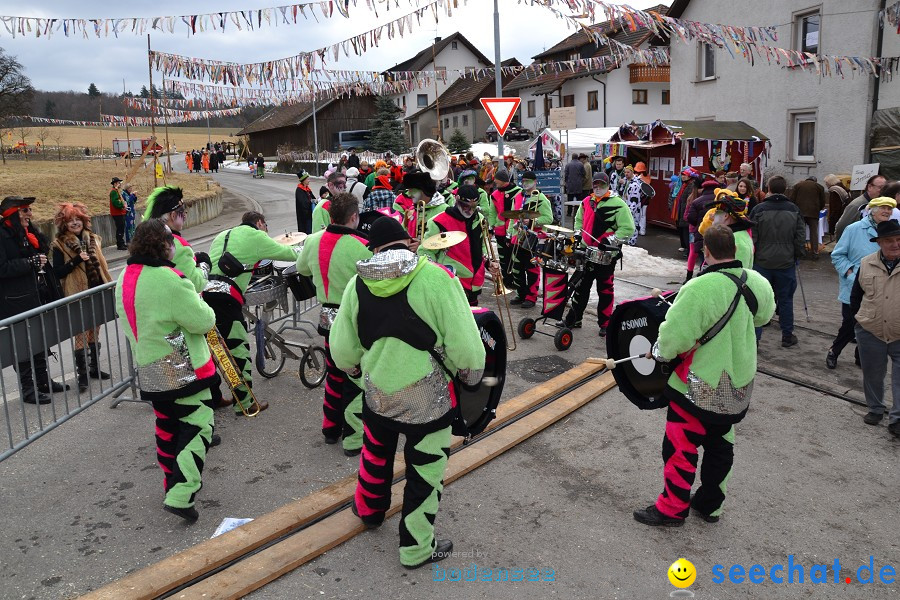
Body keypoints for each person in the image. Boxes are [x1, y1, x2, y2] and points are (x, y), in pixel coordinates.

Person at [330, 216, 486, 569]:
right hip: (427, 397)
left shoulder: (358, 283)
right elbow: (469, 350)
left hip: (377, 392)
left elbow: (341, 350)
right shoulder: (436, 278)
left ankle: (369, 510)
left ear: (374, 250)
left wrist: (356, 368)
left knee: (375, 454)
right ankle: (416, 547)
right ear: (409, 245)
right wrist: (473, 379)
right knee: (424, 472)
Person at [634, 225, 775, 527]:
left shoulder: (699, 288)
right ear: (735, 250)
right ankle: (710, 505)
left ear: (706, 252)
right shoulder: (758, 283)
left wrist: (658, 352)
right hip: (737, 383)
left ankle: (671, 509)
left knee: (680, 448)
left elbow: (674, 338)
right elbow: (764, 316)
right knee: (720, 447)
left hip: (699, 384)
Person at [115, 219, 217, 522]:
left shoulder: (125, 276)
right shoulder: (170, 279)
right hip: (181, 367)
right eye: (171, 243)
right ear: (163, 246)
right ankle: (182, 492)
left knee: (168, 428)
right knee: (199, 426)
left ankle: (169, 483)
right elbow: (204, 321)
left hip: (149, 366)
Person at [296, 193, 372, 455]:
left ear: (330, 216)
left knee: (334, 374)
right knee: (355, 377)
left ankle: (330, 429)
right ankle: (353, 438)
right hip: (353, 320)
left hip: (327, 318)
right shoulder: (362, 245)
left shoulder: (313, 240)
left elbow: (302, 268)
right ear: (353, 217)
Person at [203, 212, 300, 416]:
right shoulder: (256, 236)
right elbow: (289, 254)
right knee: (238, 350)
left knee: (214, 349)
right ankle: (245, 403)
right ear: (259, 223)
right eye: (265, 225)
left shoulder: (223, 235)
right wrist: (309, 250)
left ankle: (212, 397)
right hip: (226, 299)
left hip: (205, 295)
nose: (266, 230)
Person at [0, 196, 67, 404]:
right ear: (13, 214)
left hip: (36, 294)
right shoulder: (2, 235)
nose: (30, 214)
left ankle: (43, 381)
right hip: (14, 300)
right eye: (25, 210)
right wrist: (30, 262)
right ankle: (28, 389)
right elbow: (2, 268)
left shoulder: (27, 233)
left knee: (39, 340)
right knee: (21, 345)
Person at [560, 173, 634, 335]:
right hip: (586, 252)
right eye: (595, 185)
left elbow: (628, 228)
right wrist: (578, 234)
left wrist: (611, 240)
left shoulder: (619, 204)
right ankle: (575, 318)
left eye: (601, 184)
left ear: (608, 185)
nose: (598, 187)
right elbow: (579, 220)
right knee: (580, 288)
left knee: (605, 289)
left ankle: (605, 323)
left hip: (606, 255)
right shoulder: (587, 202)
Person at [828, 197, 896, 369]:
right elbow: (837, 255)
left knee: (872, 325)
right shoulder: (854, 229)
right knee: (851, 324)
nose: (887, 211)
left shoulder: (891, 232)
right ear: (872, 210)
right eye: (883, 208)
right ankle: (833, 351)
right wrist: (851, 274)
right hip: (853, 287)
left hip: (881, 289)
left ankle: (860, 356)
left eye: (890, 208)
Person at [51, 203, 112, 393]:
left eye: (78, 219)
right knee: (81, 335)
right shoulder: (59, 244)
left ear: (84, 221)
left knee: (95, 330)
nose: (75, 223)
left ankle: (94, 368)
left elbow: (103, 266)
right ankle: (83, 375)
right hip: (77, 294)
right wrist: (77, 260)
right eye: (70, 221)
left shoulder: (94, 239)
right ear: (64, 224)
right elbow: (58, 272)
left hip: (97, 290)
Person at [850, 218, 900, 437]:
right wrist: (858, 321)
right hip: (871, 329)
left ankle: (897, 418)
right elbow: (856, 296)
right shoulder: (866, 263)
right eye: (889, 240)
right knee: (872, 373)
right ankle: (876, 408)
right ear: (879, 242)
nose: (895, 244)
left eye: (899, 240)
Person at [748, 175, 806, 347]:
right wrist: (797, 254)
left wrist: (755, 254)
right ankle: (787, 335)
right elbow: (800, 236)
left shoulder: (759, 209)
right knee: (786, 299)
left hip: (762, 261)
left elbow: (753, 236)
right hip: (786, 261)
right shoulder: (794, 209)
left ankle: (756, 340)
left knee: (759, 299)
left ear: (769, 188)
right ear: (785, 189)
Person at [420, 184, 499, 306]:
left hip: (475, 281)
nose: (470, 210)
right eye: (465, 206)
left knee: (473, 318)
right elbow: (425, 251)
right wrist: (435, 274)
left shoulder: (480, 218)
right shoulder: (438, 222)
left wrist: (489, 263)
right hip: (451, 280)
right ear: (456, 200)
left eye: (473, 207)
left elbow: (481, 247)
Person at [508, 171, 553, 308]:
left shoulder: (541, 199)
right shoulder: (517, 197)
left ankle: (531, 297)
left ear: (535, 182)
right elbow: (512, 216)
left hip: (533, 240)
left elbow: (548, 218)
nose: (525, 183)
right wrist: (510, 233)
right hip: (518, 239)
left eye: (528, 180)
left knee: (532, 269)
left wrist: (532, 221)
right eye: (524, 180)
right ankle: (520, 293)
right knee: (517, 269)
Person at [697, 189, 755, 269]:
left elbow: (737, 275)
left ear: (726, 216)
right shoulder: (732, 235)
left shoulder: (737, 240)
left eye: (717, 212)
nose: (713, 216)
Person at [487, 169, 524, 277]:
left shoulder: (518, 192)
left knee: (514, 257)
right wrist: (491, 227)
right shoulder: (494, 194)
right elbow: (492, 213)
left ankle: (515, 279)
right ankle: (506, 280)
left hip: (513, 230)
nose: (495, 182)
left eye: (497, 180)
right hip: (500, 231)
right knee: (503, 257)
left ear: (503, 180)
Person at [684, 176, 719, 282]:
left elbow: (688, 217)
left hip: (696, 231)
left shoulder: (695, 200)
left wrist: (697, 225)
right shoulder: (720, 200)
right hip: (715, 232)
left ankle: (690, 276)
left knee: (696, 253)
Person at [394, 171, 446, 240]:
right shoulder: (412, 209)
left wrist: (421, 244)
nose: (409, 195)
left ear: (423, 190)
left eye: (411, 191)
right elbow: (403, 232)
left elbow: (446, 239)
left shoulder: (444, 210)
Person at [834, 175, 887, 241]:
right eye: (880, 187)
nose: (883, 191)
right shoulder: (857, 205)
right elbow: (841, 228)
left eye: (885, 188)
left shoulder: (877, 204)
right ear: (870, 187)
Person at [790, 176, 826, 259]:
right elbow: (822, 201)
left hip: (800, 212)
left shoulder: (798, 185)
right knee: (814, 233)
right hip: (813, 213)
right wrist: (818, 209)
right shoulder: (819, 187)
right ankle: (815, 252)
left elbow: (792, 199)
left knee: (801, 232)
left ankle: (801, 252)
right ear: (815, 181)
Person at [669, 167, 698, 253]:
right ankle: (686, 247)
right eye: (682, 175)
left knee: (687, 232)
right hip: (681, 211)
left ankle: (689, 250)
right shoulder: (684, 185)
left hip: (686, 212)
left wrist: (685, 211)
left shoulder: (691, 185)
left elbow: (689, 200)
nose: (682, 176)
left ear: (690, 176)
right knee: (683, 230)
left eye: (685, 175)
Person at [109, 177, 127, 250]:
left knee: (121, 228)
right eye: (119, 183)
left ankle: (121, 242)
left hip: (120, 213)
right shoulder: (113, 192)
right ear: (115, 183)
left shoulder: (116, 191)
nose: (120, 184)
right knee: (120, 228)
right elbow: (115, 202)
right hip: (117, 213)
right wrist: (122, 205)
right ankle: (120, 244)